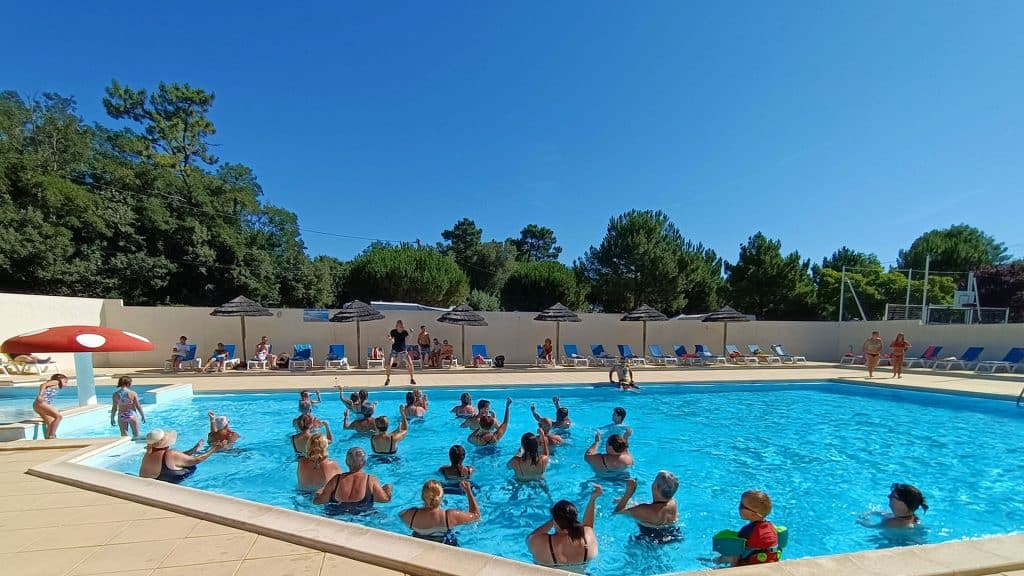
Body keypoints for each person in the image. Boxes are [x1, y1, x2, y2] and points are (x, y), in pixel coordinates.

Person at [527, 485, 602, 568]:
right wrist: (593, 499)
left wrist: (553, 521)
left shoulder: (541, 542)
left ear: (555, 522)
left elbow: (530, 538)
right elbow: (588, 526)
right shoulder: (587, 538)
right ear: (575, 519)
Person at [400, 479, 481, 546]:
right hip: (444, 550)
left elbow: (400, 514)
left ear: (422, 496)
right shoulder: (449, 516)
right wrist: (468, 491)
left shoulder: (409, 515)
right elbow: (476, 516)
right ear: (441, 497)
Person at [313, 447, 393, 513]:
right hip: (363, 516)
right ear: (364, 462)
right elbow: (385, 499)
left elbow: (318, 502)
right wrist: (388, 488)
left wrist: (318, 493)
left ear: (346, 462)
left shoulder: (336, 479)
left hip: (337, 515)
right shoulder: (370, 480)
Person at [719, 490, 782, 566]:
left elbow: (737, 554)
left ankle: (712, 560)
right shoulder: (771, 526)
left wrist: (731, 569)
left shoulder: (747, 531)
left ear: (753, 513)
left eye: (742, 505)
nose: (739, 507)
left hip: (751, 563)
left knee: (723, 557)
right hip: (770, 560)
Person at [139, 429, 224, 483]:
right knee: (191, 466)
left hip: (154, 483)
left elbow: (174, 459)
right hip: (167, 484)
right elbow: (198, 459)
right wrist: (214, 448)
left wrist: (193, 450)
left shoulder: (148, 453)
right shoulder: (170, 453)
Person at [614, 473, 681, 542]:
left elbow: (618, 511)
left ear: (654, 487)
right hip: (673, 533)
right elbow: (650, 509)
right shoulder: (673, 502)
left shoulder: (645, 509)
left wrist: (629, 493)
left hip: (649, 538)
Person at [33, 374, 68, 439]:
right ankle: (52, 435)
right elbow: (43, 385)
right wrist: (40, 395)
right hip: (41, 403)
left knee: (51, 422)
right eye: (65, 382)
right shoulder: (56, 382)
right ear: (60, 379)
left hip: (37, 405)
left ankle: (48, 437)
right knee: (58, 417)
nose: (66, 384)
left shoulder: (55, 385)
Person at [384, 320, 415, 386]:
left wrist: (411, 333)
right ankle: (388, 379)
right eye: (399, 325)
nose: (400, 327)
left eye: (401, 326)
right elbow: (392, 339)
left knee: (411, 364)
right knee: (389, 364)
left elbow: (408, 339)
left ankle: (412, 379)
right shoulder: (393, 331)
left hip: (403, 351)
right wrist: (390, 338)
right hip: (394, 351)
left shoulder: (404, 332)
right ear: (397, 326)